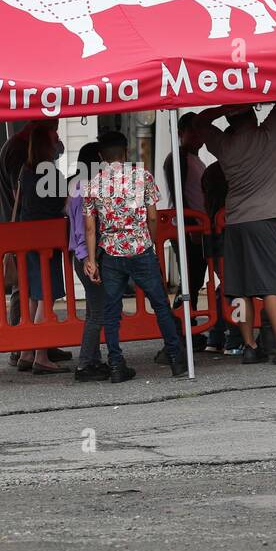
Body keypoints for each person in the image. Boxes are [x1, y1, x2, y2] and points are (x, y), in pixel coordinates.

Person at [194, 103, 276, 365]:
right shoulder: (269, 133)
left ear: (229, 121)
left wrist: (225, 107)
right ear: (252, 113)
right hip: (265, 220)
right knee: (272, 285)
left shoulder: (224, 144)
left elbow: (198, 121)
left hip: (235, 221)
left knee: (241, 288)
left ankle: (249, 345)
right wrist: (250, 97)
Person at [83, 131, 185, 382]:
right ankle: (175, 357)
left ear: (100, 156)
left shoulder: (92, 185)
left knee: (111, 310)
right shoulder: (143, 177)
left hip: (111, 252)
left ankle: (116, 364)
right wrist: (149, 241)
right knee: (160, 304)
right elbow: (152, 216)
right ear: (126, 152)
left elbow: (89, 227)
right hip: (140, 248)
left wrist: (92, 261)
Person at [0, 118, 70, 367]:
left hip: (25, 240)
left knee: (31, 296)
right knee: (45, 297)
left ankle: (27, 352)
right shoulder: (50, 173)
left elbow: (23, 200)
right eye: (55, 137)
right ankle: (41, 355)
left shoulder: (25, 171)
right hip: (46, 242)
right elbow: (63, 205)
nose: (58, 141)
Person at [162, 112, 209, 345]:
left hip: (200, 226)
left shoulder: (195, 158)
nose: (199, 134)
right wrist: (190, 227)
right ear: (181, 133)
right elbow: (179, 194)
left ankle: (189, 326)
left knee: (194, 281)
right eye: (194, 129)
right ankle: (183, 328)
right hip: (188, 228)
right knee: (189, 281)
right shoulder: (178, 158)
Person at [67, 141, 107, 381]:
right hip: (87, 256)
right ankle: (84, 364)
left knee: (93, 310)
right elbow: (84, 230)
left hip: (81, 255)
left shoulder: (76, 187)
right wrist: (89, 259)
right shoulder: (87, 190)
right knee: (98, 313)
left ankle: (93, 359)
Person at [199, 162, 244, 356]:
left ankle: (216, 336)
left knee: (224, 286)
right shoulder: (234, 168)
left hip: (213, 233)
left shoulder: (211, 171)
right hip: (232, 231)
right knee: (235, 288)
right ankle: (235, 338)